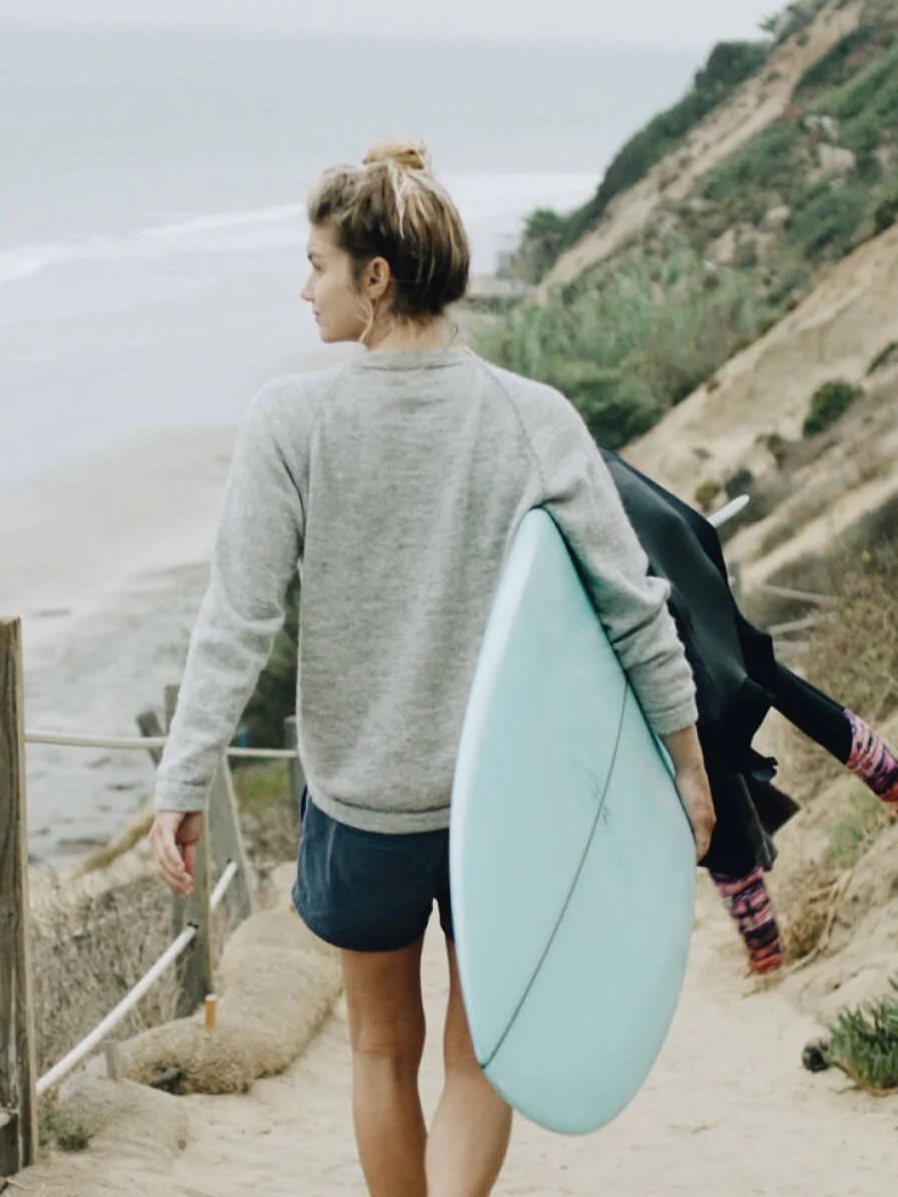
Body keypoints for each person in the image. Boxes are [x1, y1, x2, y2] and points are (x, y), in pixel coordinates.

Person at [148, 139, 715, 1197]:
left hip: (364, 804)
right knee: (482, 1048)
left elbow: (239, 617)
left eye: (316, 262)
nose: (302, 283)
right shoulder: (528, 415)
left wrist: (184, 778)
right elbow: (630, 603)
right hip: (505, 808)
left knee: (378, 1049)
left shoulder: (294, 419)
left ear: (376, 278)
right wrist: (684, 760)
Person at [600, 446, 898, 975]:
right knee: (764, 683)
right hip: (684, 571)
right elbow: (680, 519)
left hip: (655, 603)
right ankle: (889, 779)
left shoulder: (544, 475)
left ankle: (765, 954)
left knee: (705, 755)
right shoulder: (581, 450)